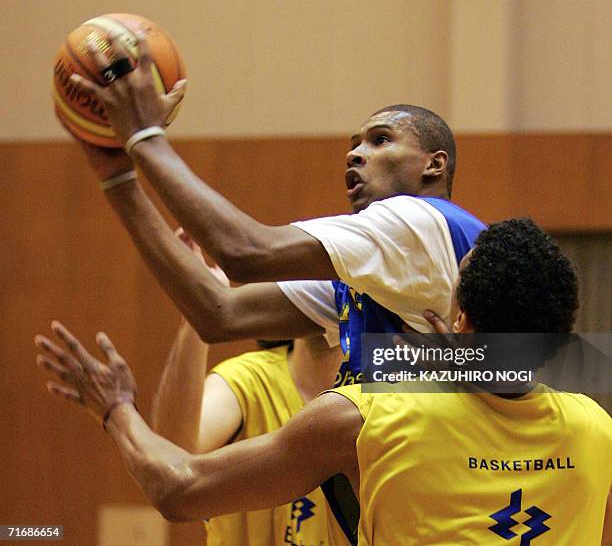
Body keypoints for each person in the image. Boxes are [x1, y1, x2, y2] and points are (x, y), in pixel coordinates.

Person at [35, 218, 612, 544]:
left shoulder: (368, 418)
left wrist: (117, 409)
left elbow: (178, 489)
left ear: (458, 320)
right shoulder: (596, 431)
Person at [69, 34, 486, 389]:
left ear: (435, 164)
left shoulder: (415, 221)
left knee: (187, 483)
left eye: (380, 141)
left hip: (457, 468)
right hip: (437, 467)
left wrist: (144, 136)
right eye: (355, 144)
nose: (355, 154)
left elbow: (245, 252)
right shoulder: (381, 271)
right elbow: (219, 314)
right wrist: (119, 178)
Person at [151, 229, 342, 545]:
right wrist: (197, 317)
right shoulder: (248, 381)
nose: (323, 289)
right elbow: (170, 457)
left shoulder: (381, 391)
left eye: (335, 278)